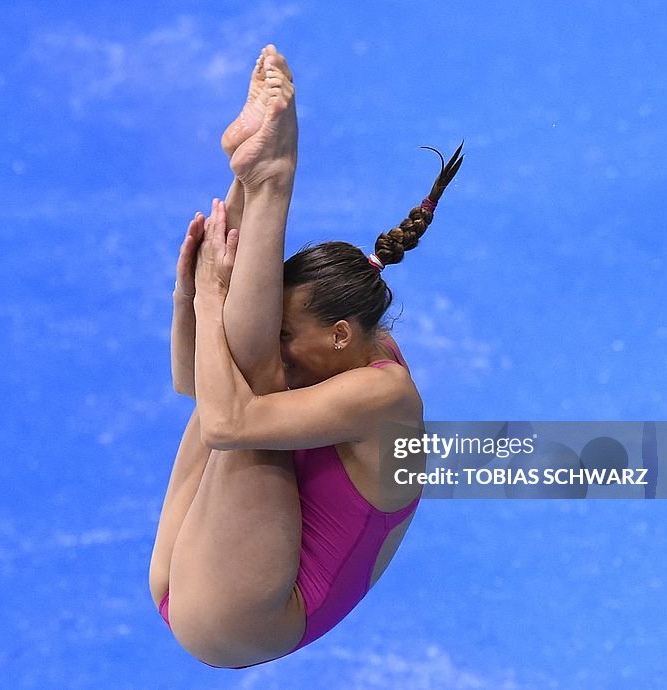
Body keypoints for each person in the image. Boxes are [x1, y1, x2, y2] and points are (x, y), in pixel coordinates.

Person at [148, 45, 463, 669]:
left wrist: (212, 304)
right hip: (192, 572)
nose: (279, 344)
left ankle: (270, 180)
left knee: (253, 385)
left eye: (291, 333)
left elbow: (226, 424)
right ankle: (249, 180)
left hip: (246, 620)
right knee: (244, 372)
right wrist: (191, 291)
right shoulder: (335, 356)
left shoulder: (386, 396)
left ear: (342, 335)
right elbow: (194, 384)